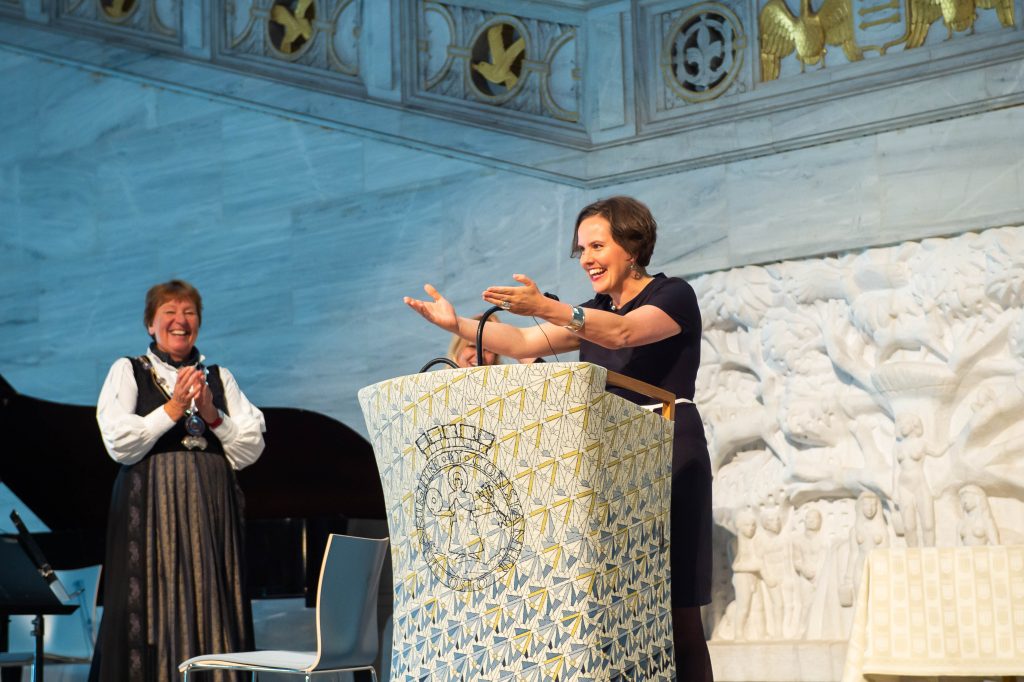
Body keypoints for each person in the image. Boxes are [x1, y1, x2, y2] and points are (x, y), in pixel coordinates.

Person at [405, 196, 714, 681]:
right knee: (617, 608)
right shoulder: (592, 312)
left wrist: (546, 307)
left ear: (632, 246)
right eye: (581, 249)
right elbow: (523, 342)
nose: (586, 258)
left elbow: (623, 333)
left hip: (668, 451)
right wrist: (456, 324)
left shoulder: (672, 294)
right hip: (608, 459)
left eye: (597, 245)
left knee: (677, 614)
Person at [91, 279, 266, 682]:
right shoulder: (128, 370)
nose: (180, 320)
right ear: (150, 324)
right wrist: (172, 408)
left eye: (189, 312)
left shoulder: (219, 377)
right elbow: (119, 443)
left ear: (198, 323)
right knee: (155, 605)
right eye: (169, 312)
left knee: (212, 600)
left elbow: (249, 449)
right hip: (153, 511)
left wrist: (212, 415)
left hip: (210, 513)